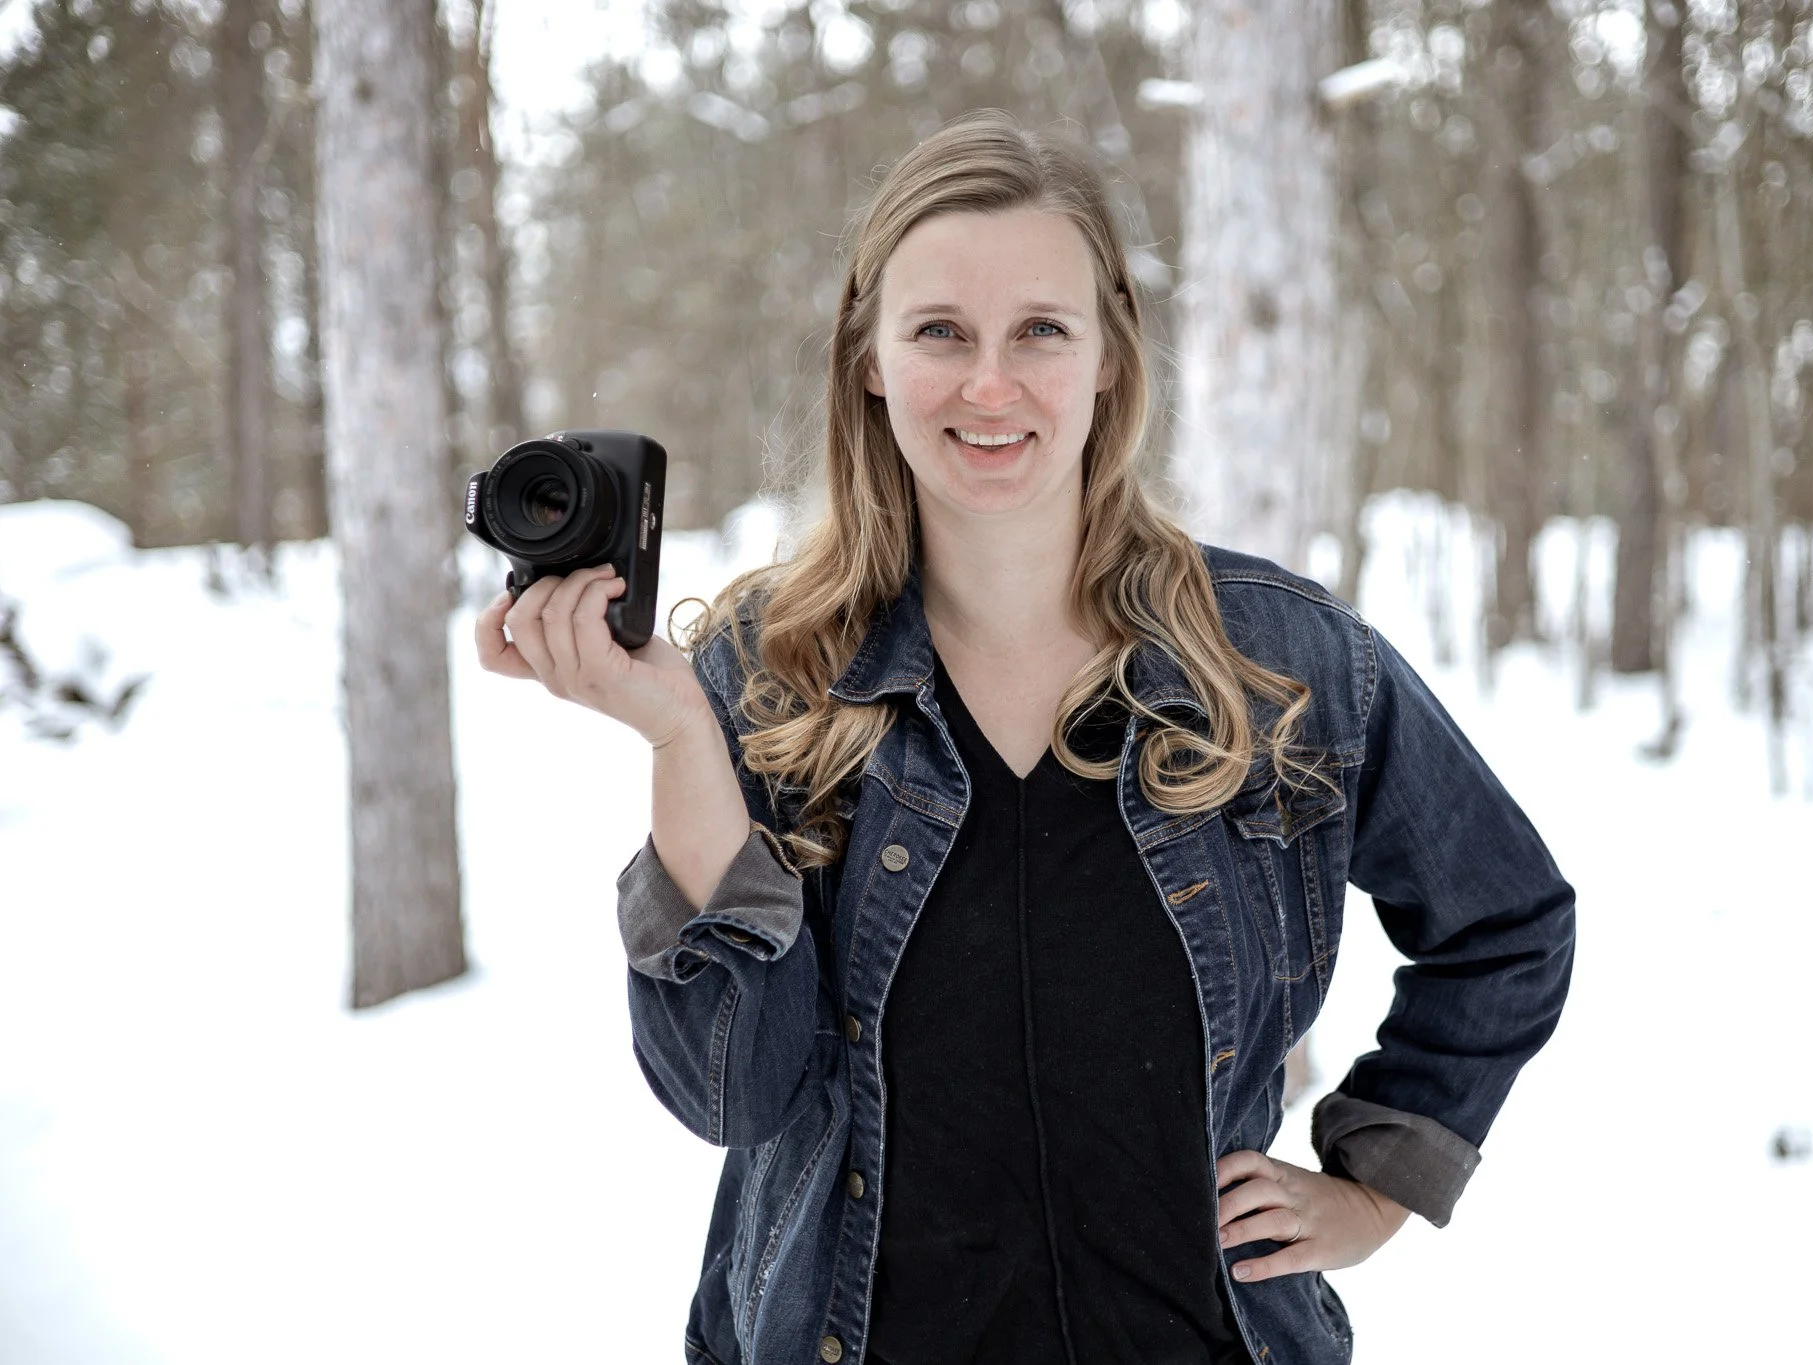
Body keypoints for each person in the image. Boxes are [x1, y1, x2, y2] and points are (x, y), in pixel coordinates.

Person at [475, 110, 1575, 1365]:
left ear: (1107, 354)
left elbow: (1506, 918)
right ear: (870, 356)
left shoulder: (1280, 665)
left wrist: (1378, 1183)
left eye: (1039, 331)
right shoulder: (766, 677)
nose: (988, 386)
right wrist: (678, 740)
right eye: (938, 331)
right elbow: (731, 1094)